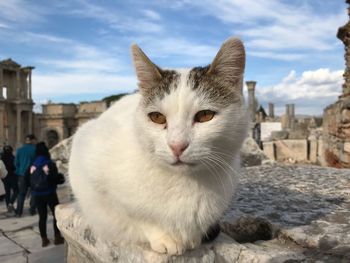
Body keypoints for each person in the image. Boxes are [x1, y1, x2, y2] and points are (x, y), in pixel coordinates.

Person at [29, 142, 64, 247]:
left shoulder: (33, 165)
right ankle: (57, 237)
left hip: (37, 194)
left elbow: (28, 179)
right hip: (49, 193)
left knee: (42, 216)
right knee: (55, 215)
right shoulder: (49, 163)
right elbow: (54, 178)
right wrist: (60, 178)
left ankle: (44, 239)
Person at [15, 134, 37, 217]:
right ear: (32, 140)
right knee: (34, 192)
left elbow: (16, 163)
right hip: (33, 174)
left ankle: (19, 212)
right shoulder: (35, 150)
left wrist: (19, 171)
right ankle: (32, 210)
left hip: (22, 174)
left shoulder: (19, 150)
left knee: (21, 193)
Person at [1, 146, 18, 212]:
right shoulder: (13, 158)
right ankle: (10, 203)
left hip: (4, 177)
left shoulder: (2, 159)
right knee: (16, 190)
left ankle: (8, 206)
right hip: (12, 176)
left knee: (7, 192)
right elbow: (15, 167)